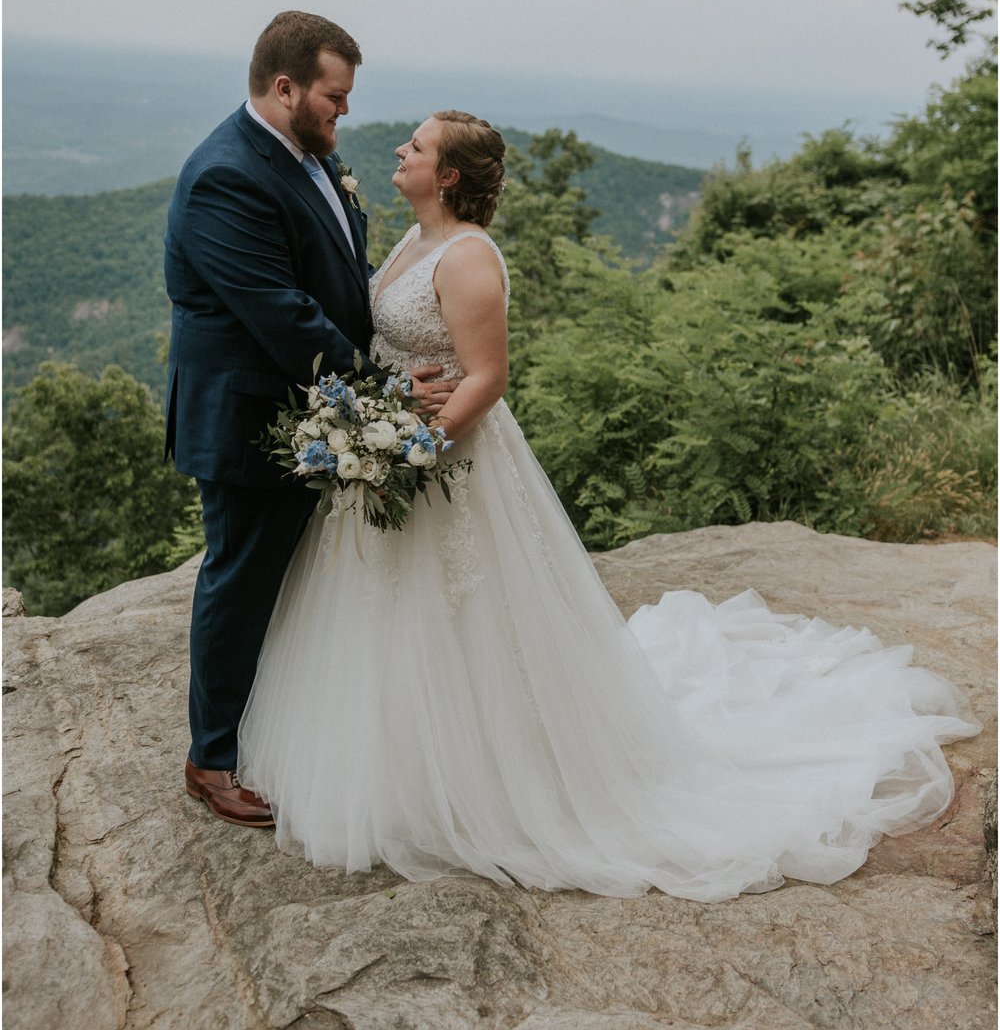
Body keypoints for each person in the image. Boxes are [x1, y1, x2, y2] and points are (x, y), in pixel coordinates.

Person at [237, 110, 979, 900]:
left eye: (416, 146)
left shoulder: (469, 258)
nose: (399, 149)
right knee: (384, 614)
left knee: (466, 619)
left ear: (447, 174)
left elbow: (486, 378)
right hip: (395, 449)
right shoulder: (408, 244)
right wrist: (379, 424)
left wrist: (413, 452)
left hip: (444, 463)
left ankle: (490, 778)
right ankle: (386, 767)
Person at [164, 12, 451, 827]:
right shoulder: (226, 174)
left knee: (293, 583)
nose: (345, 112)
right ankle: (211, 757)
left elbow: (340, 272)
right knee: (242, 578)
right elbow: (283, 316)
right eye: (334, 95)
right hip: (249, 416)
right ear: (284, 88)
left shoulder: (305, 153)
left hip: (309, 413)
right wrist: (386, 391)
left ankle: (268, 725)